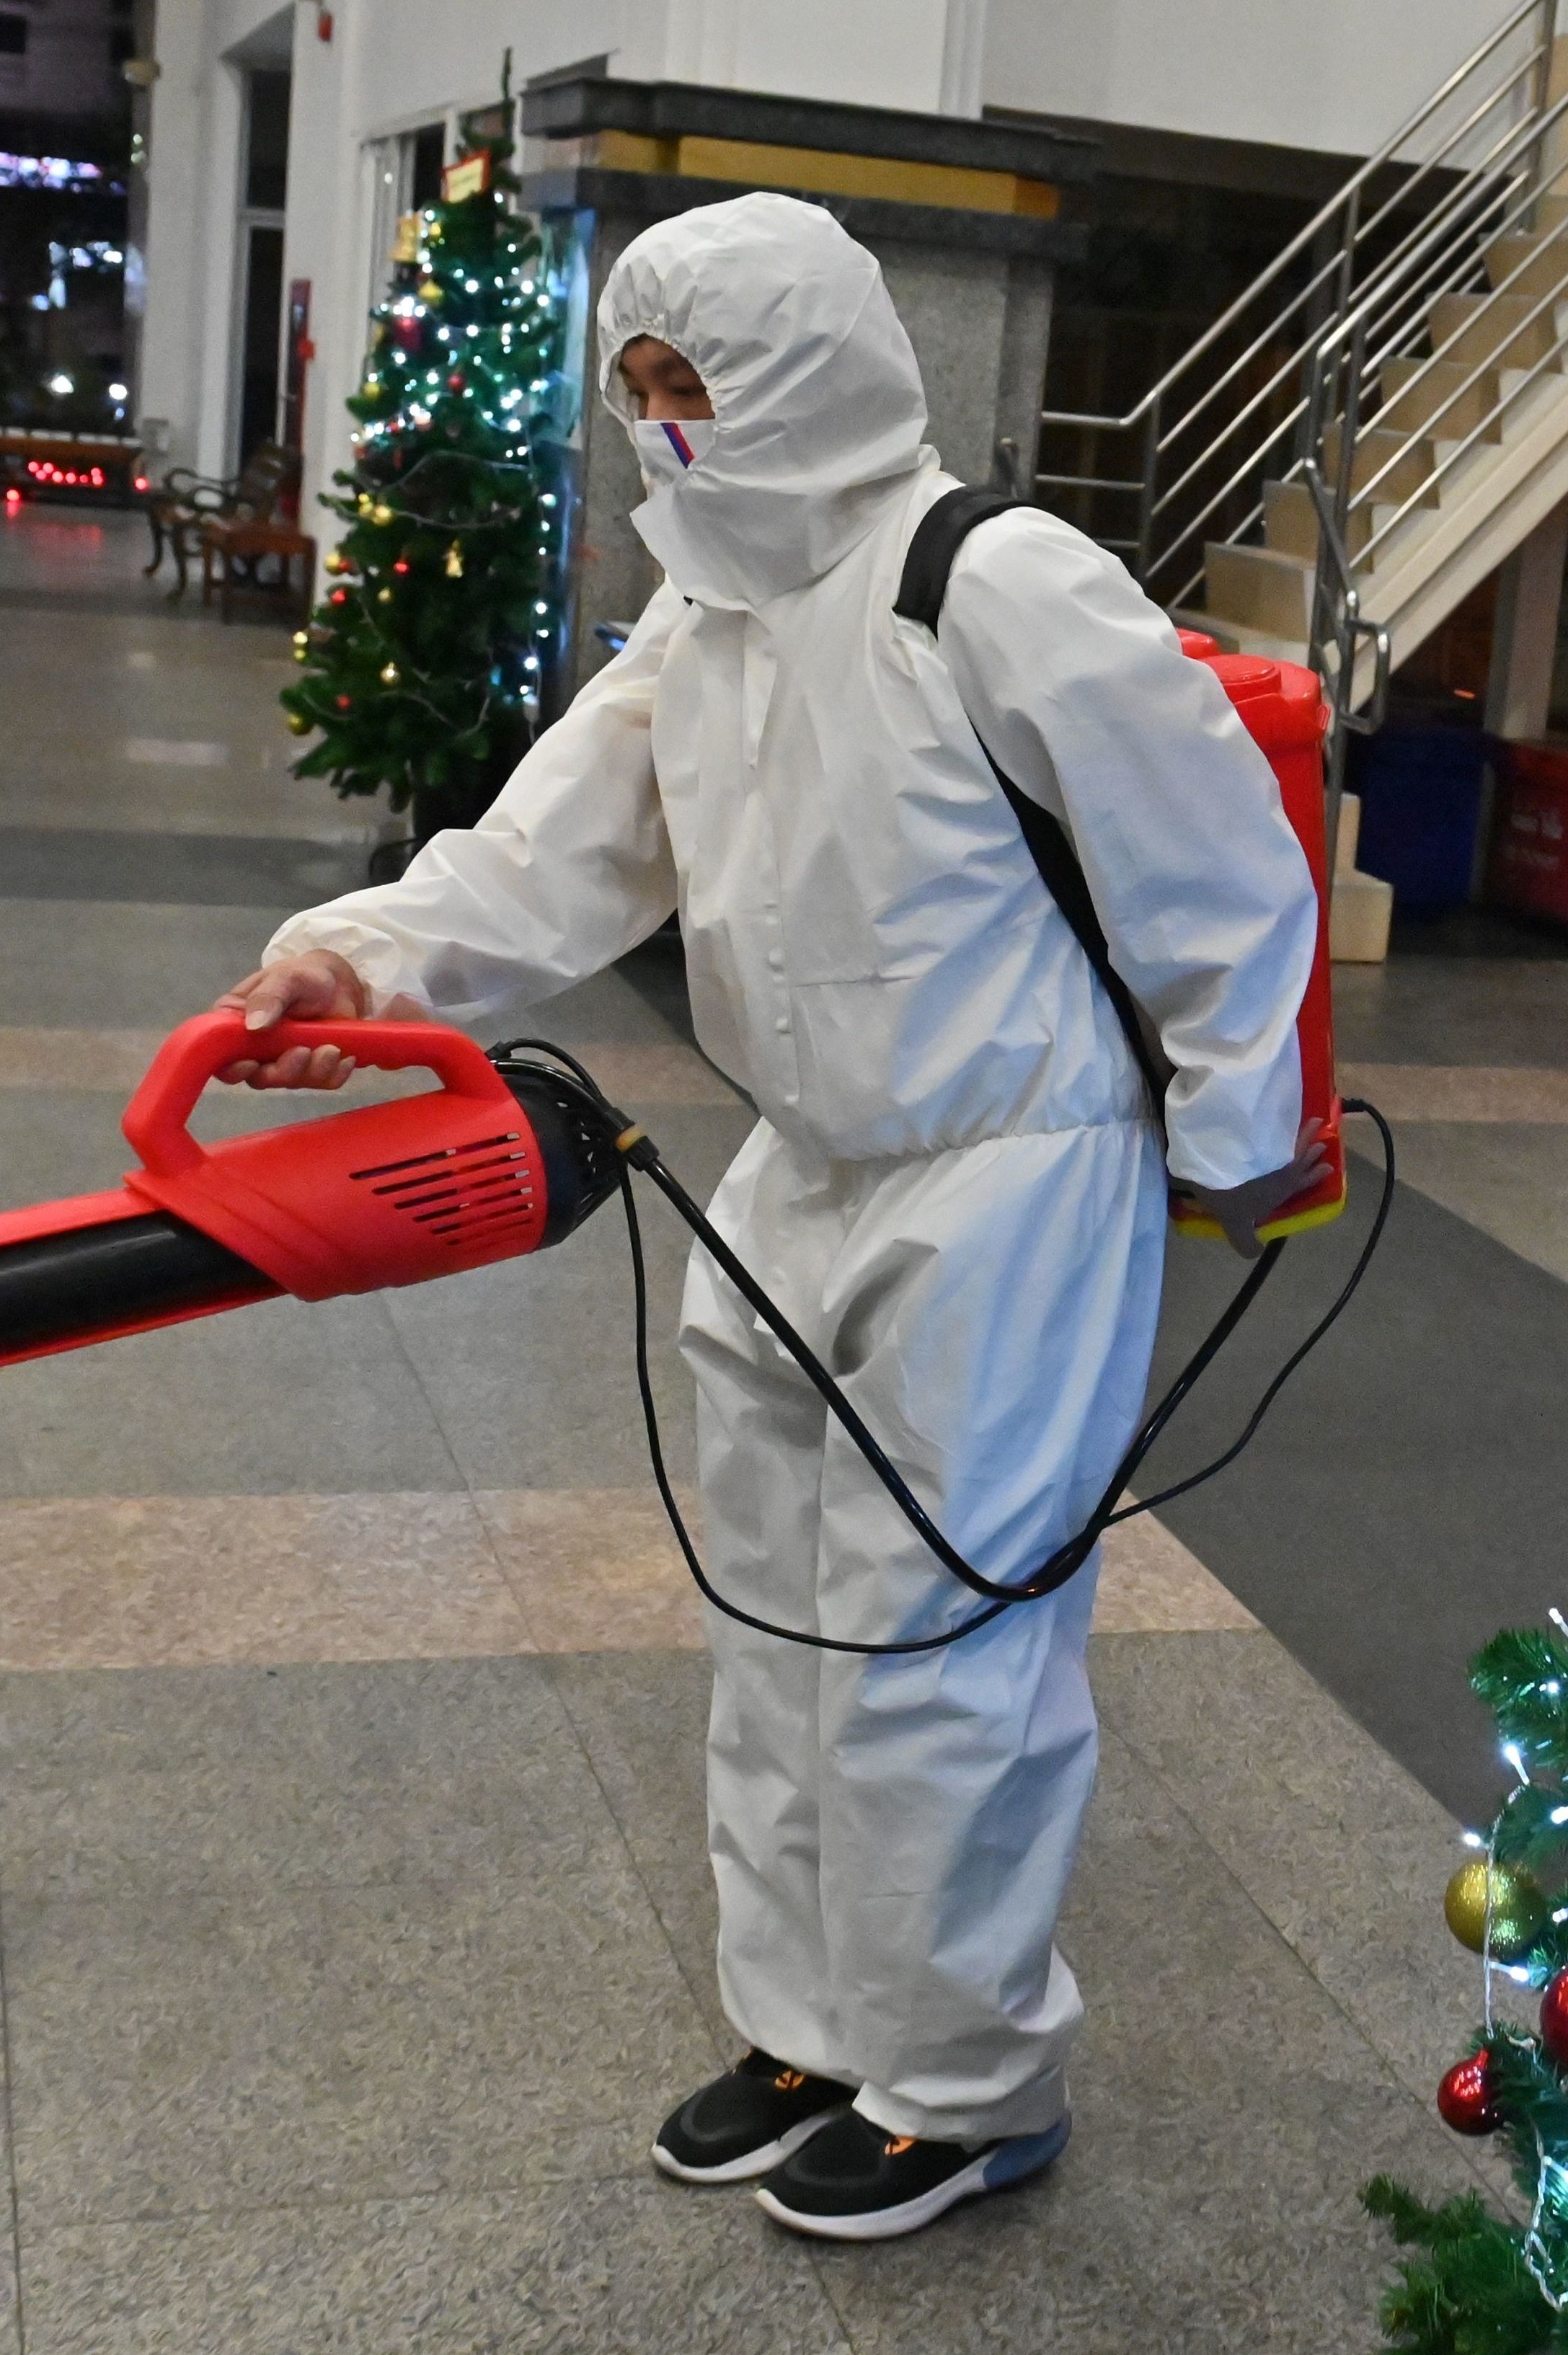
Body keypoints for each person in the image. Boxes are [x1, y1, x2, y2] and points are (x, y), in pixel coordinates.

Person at [224, 192, 1320, 2243]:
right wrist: (353, 968)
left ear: (811, 363)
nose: (667, 426)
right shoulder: (706, 620)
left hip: (1012, 1172)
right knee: (782, 1630)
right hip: (802, 1166)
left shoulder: (989, 577)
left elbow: (1220, 865)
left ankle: (970, 2080)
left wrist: (1238, 1139)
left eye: (698, 382)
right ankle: (817, 2022)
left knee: (944, 1645)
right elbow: (544, 856)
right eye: (640, 388)